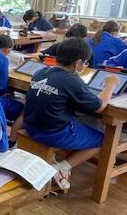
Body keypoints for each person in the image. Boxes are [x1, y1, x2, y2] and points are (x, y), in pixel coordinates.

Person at [23, 38, 119, 190]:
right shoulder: (72, 80)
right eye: (85, 63)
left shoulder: (40, 72)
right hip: (53, 134)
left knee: (81, 122)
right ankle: (63, 166)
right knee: (102, 139)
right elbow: (99, 107)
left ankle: (60, 161)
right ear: (78, 63)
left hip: (31, 126)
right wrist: (110, 85)